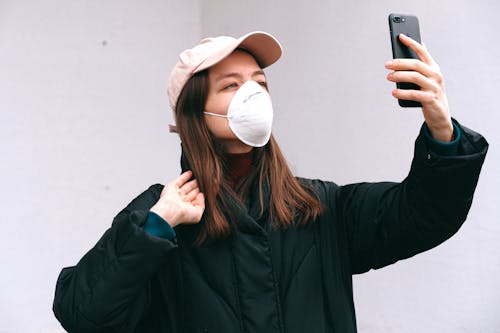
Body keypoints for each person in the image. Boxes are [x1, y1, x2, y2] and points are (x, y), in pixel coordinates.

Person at [53, 31, 488, 333]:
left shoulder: (319, 206)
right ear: (194, 112)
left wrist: (442, 129)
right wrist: (155, 228)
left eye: (259, 82)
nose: (252, 94)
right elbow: (84, 315)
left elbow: (424, 215)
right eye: (231, 84)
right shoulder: (159, 216)